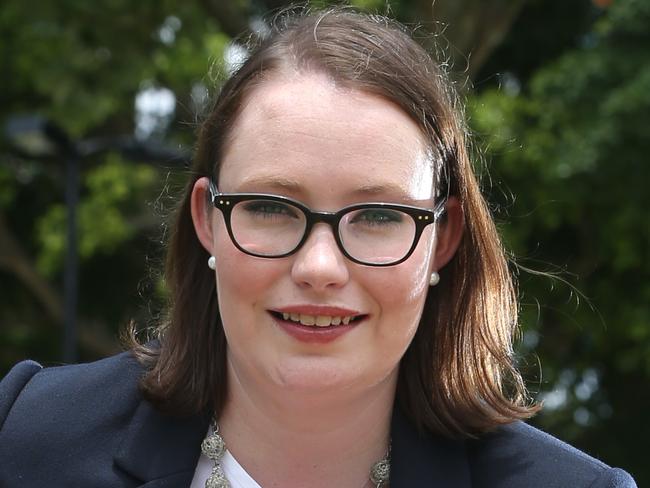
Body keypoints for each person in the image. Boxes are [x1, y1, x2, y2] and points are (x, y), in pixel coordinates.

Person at [0, 7, 637, 488]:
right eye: (273, 208)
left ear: (442, 240)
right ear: (206, 221)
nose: (320, 268)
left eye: (378, 215)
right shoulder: (26, 440)